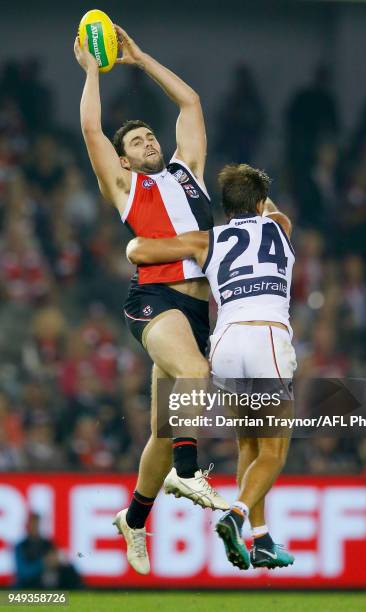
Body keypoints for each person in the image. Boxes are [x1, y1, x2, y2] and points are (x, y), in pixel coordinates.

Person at [74, 25, 228, 576]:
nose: (148, 144)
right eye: (135, 143)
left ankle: (134, 518)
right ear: (122, 160)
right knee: (195, 370)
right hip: (154, 299)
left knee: (164, 429)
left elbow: (190, 102)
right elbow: (91, 127)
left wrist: (139, 59)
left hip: (197, 309)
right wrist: (94, 70)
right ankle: (189, 471)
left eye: (149, 138)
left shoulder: (189, 174)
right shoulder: (125, 188)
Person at [127, 163, 296, 570]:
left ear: (225, 208)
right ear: (258, 203)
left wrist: (136, 248)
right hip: (267, 336)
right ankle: (236, 516)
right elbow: (268, 208)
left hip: (224, 343)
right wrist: (258, 191)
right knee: (274, 450)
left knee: (248, 444)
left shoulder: (207, 240)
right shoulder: (279, 225)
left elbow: (140, 250)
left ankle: (261, 538)